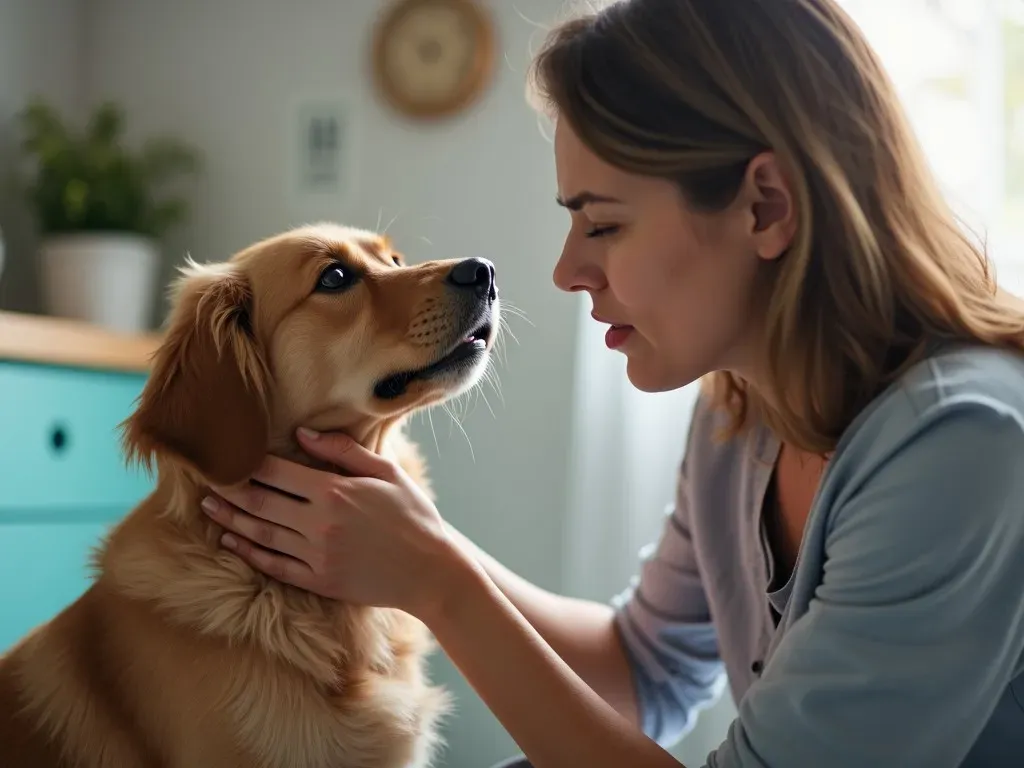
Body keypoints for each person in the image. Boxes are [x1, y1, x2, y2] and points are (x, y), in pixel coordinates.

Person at [198, 0, 1024, 765]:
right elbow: (645, 670)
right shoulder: (741, 412)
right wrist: (418, 548)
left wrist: (435, 584)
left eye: (603, 224)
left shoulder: (963, 444)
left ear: (766, 207)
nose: (566, 271)